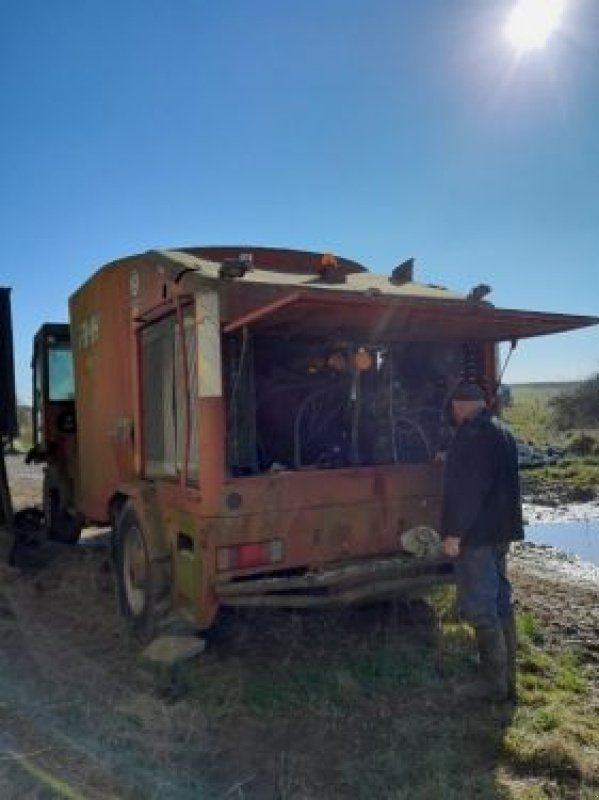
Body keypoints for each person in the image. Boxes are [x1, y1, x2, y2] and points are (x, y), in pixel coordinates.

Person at [441, 380, 524, 702]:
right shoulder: (499, 429)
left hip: (476, 534)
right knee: (501, 599)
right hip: (501, 530)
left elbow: (470, 489)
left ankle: (492, 684)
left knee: (480, 604)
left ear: (460, 406)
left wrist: (455, 534)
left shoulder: (471, 435)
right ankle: (508, 679)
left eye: (453, 409)